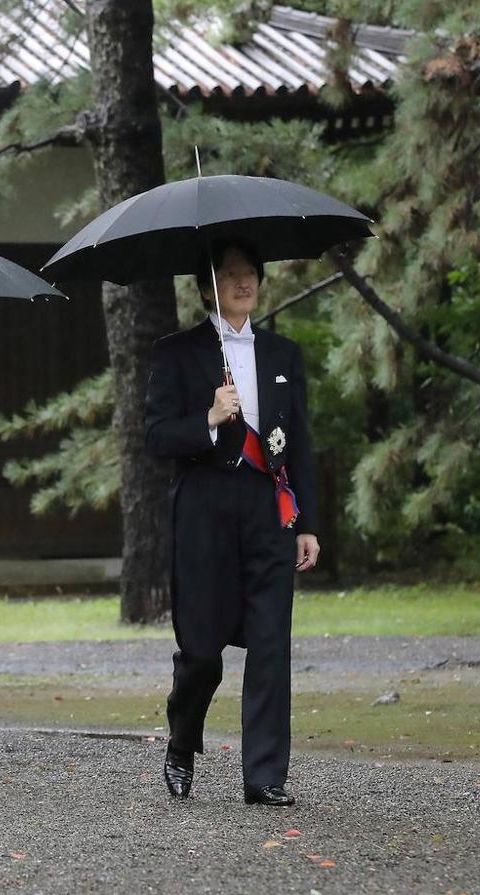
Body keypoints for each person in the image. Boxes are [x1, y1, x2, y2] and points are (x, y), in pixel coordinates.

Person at [144, 239, 320, 807]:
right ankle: (182, 738)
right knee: (201, 648)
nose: (244, 282)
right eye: (230, 274)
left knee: (271, 641)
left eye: (251, 273)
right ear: (205, 287)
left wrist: (307, 523)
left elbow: (301, 446)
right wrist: (209, 419)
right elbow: (155, 437)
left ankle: (264, 775)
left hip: (268, 510)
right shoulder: (175, 353)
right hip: (203, 508)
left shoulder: (284, 355)